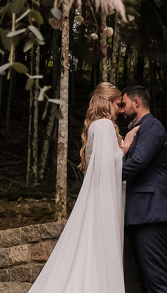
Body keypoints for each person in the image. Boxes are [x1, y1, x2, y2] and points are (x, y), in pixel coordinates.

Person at [28, 82, 129, 293]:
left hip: (97, 197)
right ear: (107, 102)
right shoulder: (103, 126)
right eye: (118, 104)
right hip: (102, 199)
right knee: (97, 248)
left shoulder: (96, 126)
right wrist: (125, 148)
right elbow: (105, 166)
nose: (120, 110)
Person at [118, 85, 167, 293]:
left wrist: (107, 175)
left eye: (124, 104)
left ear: (136, 102)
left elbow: (138, 162)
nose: (122, 109)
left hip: (151, 212)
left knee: (156, 280)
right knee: (145, 282)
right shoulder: (137, 129)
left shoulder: (152, 126)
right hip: (138, 213)